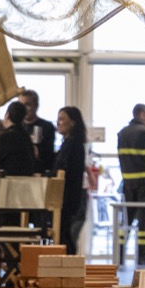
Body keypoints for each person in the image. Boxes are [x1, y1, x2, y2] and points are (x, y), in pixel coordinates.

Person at [115, 103, 145, 268]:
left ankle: (119, 254)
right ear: (142, 114)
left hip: (127, 183)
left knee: (126, 221)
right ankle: (142, 256)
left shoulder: (122, 134)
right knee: (143, 222)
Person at [55, 106, 90, 256]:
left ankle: (69, 263)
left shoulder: (73, 145)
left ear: (73, 122)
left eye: (62, 119)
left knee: (66, 234)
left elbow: (66, 170)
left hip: (68, 198)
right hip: (67, 197)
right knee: (65, 234)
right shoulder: (69, 143)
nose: (58, 123)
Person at [18, 88, 57, 175]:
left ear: (36, 106)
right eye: (21, 105)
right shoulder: (17, 128)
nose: (24, 109)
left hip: (40, 172)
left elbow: (49, 155)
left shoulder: (47, 127)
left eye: (27, 105)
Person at [0, 102, 38, 178]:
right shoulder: (26, 137)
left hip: (10, 181)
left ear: (7, 115)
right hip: (28, 182)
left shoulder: (6, 137)